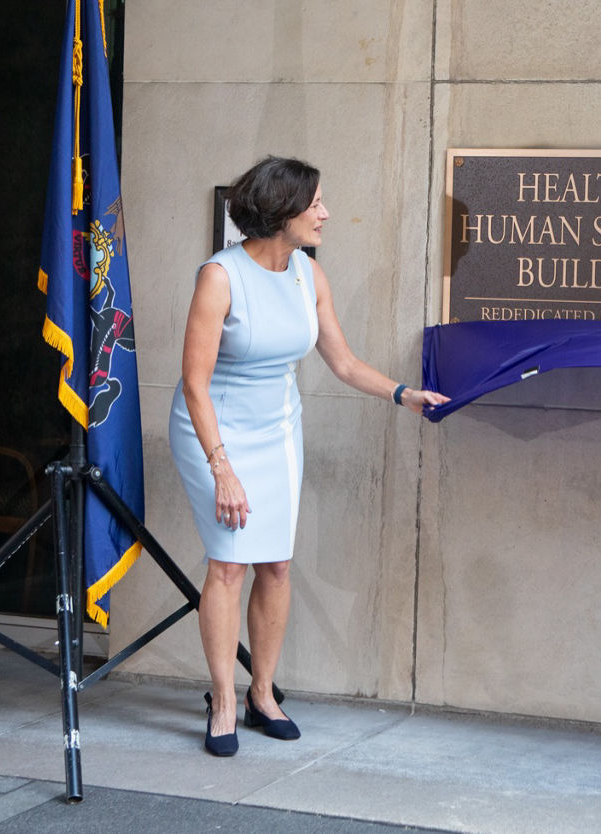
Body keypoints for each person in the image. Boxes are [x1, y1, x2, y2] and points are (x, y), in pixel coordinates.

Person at [168, 156, 449, 757]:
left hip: (279, 431)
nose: (325, 213)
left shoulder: (307, 276)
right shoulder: (221, 277)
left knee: (276, 564)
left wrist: (404, 395)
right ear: (281, 210)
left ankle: (262, 694)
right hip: (213, 431)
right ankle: (221, 699)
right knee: (229, 564)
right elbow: (194, 383)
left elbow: (342, 362)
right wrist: (222, 468)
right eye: (315, 203)